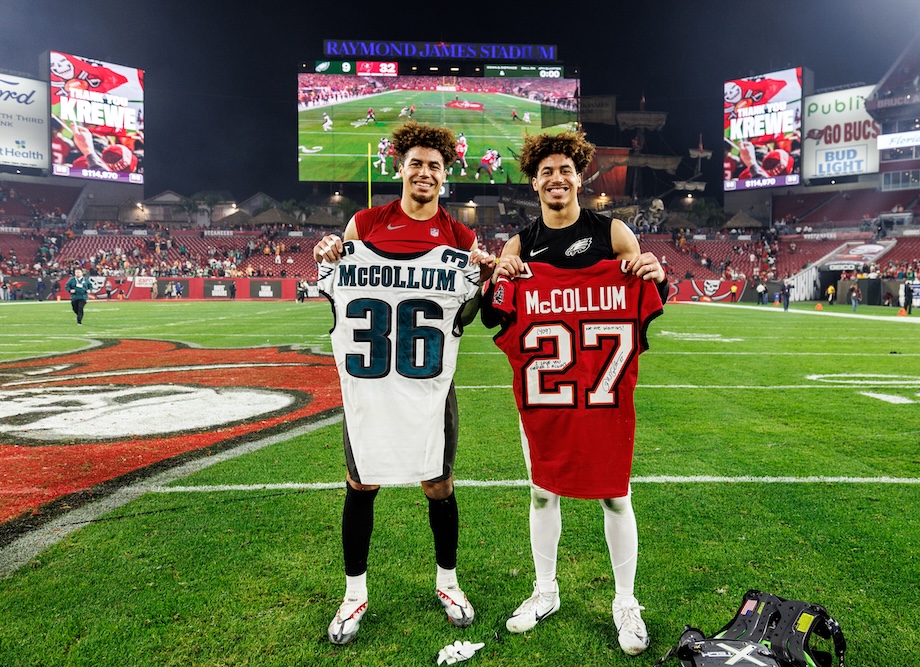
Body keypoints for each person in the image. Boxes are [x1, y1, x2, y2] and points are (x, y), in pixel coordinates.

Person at [482, 131, 667, 657]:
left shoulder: (613, 233)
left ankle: (625, 602)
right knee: (543, 490)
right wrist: (500, 276)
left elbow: (649, 295)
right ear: (534, 182)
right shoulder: (518, 245)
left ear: (579, 176)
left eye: (565, 169)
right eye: (546, 172)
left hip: (602, 392)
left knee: (616, 493)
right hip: (546, 395)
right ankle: (546, 591)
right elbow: (496, 314)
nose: (556, 179)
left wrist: (655, 272)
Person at [312, 121, 495, 646]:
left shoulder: (460, 236)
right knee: (361, 481)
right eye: (416, 163)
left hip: (428, 382)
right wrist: (328, 255)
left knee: (438, 484)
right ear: (400, 167)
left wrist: (483, 275)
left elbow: (470, 312)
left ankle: (448, 582)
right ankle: (353, 593)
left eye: (434, 166)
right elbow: (335, 289)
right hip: (371, 382)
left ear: (445, 176)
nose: (425, 172)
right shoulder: (365, 222)